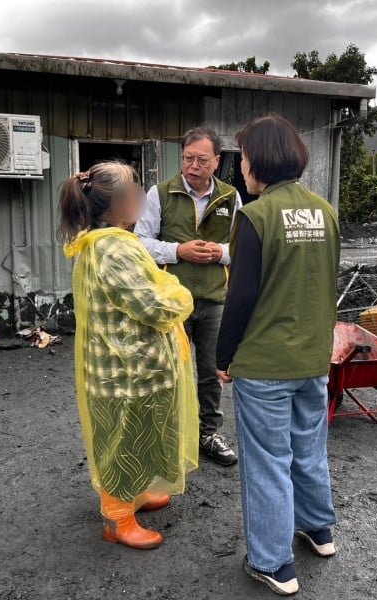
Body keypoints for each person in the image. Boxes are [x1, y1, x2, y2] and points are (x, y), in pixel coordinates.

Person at [215, 114, 341, 595]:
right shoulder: (324, 212)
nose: (241, 167)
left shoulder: (256, 215)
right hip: (313, 358)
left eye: (243, 158)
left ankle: (273, 562)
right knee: (308, 449)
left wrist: (224, 355)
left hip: (265, 364)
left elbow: (241, 295)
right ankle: (319, 530)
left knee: (267, 461)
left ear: (260, 161)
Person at [59, 161, 198, 550]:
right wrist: (180, 293)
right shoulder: (114, 249)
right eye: (135, 190)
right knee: (122, 440)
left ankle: (135, 493)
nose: (141, 196)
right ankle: (117, 518)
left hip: (131, 367)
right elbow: (154, 307)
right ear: (118, 203)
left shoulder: (106, 241)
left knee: (139, 435)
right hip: (125, 372)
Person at [135, 127, 242, 466]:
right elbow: (140, 242)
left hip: (214, 299)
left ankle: (208, 434)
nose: (193, 166)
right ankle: (170, 438)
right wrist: (178, 250)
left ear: (217, 161)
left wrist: (220, 253)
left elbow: (241, 247)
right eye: (188, 158)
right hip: (172, 301)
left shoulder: (230, 197)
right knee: (168, 372)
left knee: (211, 372)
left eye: (202, 160)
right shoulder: (160, 194)